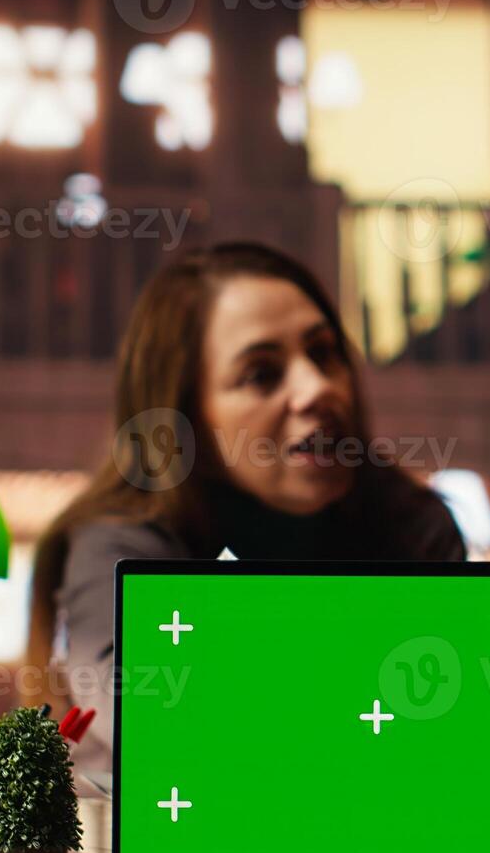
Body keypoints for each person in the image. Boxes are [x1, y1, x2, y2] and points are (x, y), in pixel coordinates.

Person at [27, 242, 464, 776]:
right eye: (261, 373)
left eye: (325, 354)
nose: (317, 388)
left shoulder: (413, 525)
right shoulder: (121, 548)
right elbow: (159, 721)